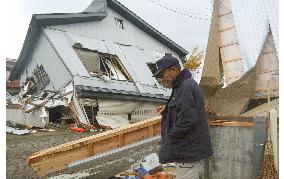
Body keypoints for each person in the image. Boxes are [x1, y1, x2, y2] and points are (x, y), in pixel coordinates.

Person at [153, 55, 213, 179]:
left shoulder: (185, 87)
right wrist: (168, 108)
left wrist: (169, 138)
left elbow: (187, 121)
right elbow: (185, 107)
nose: (162, 79)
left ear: (173, 70)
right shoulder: (182, 85)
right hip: (189, 150)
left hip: (187, 151)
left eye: (162, 74)